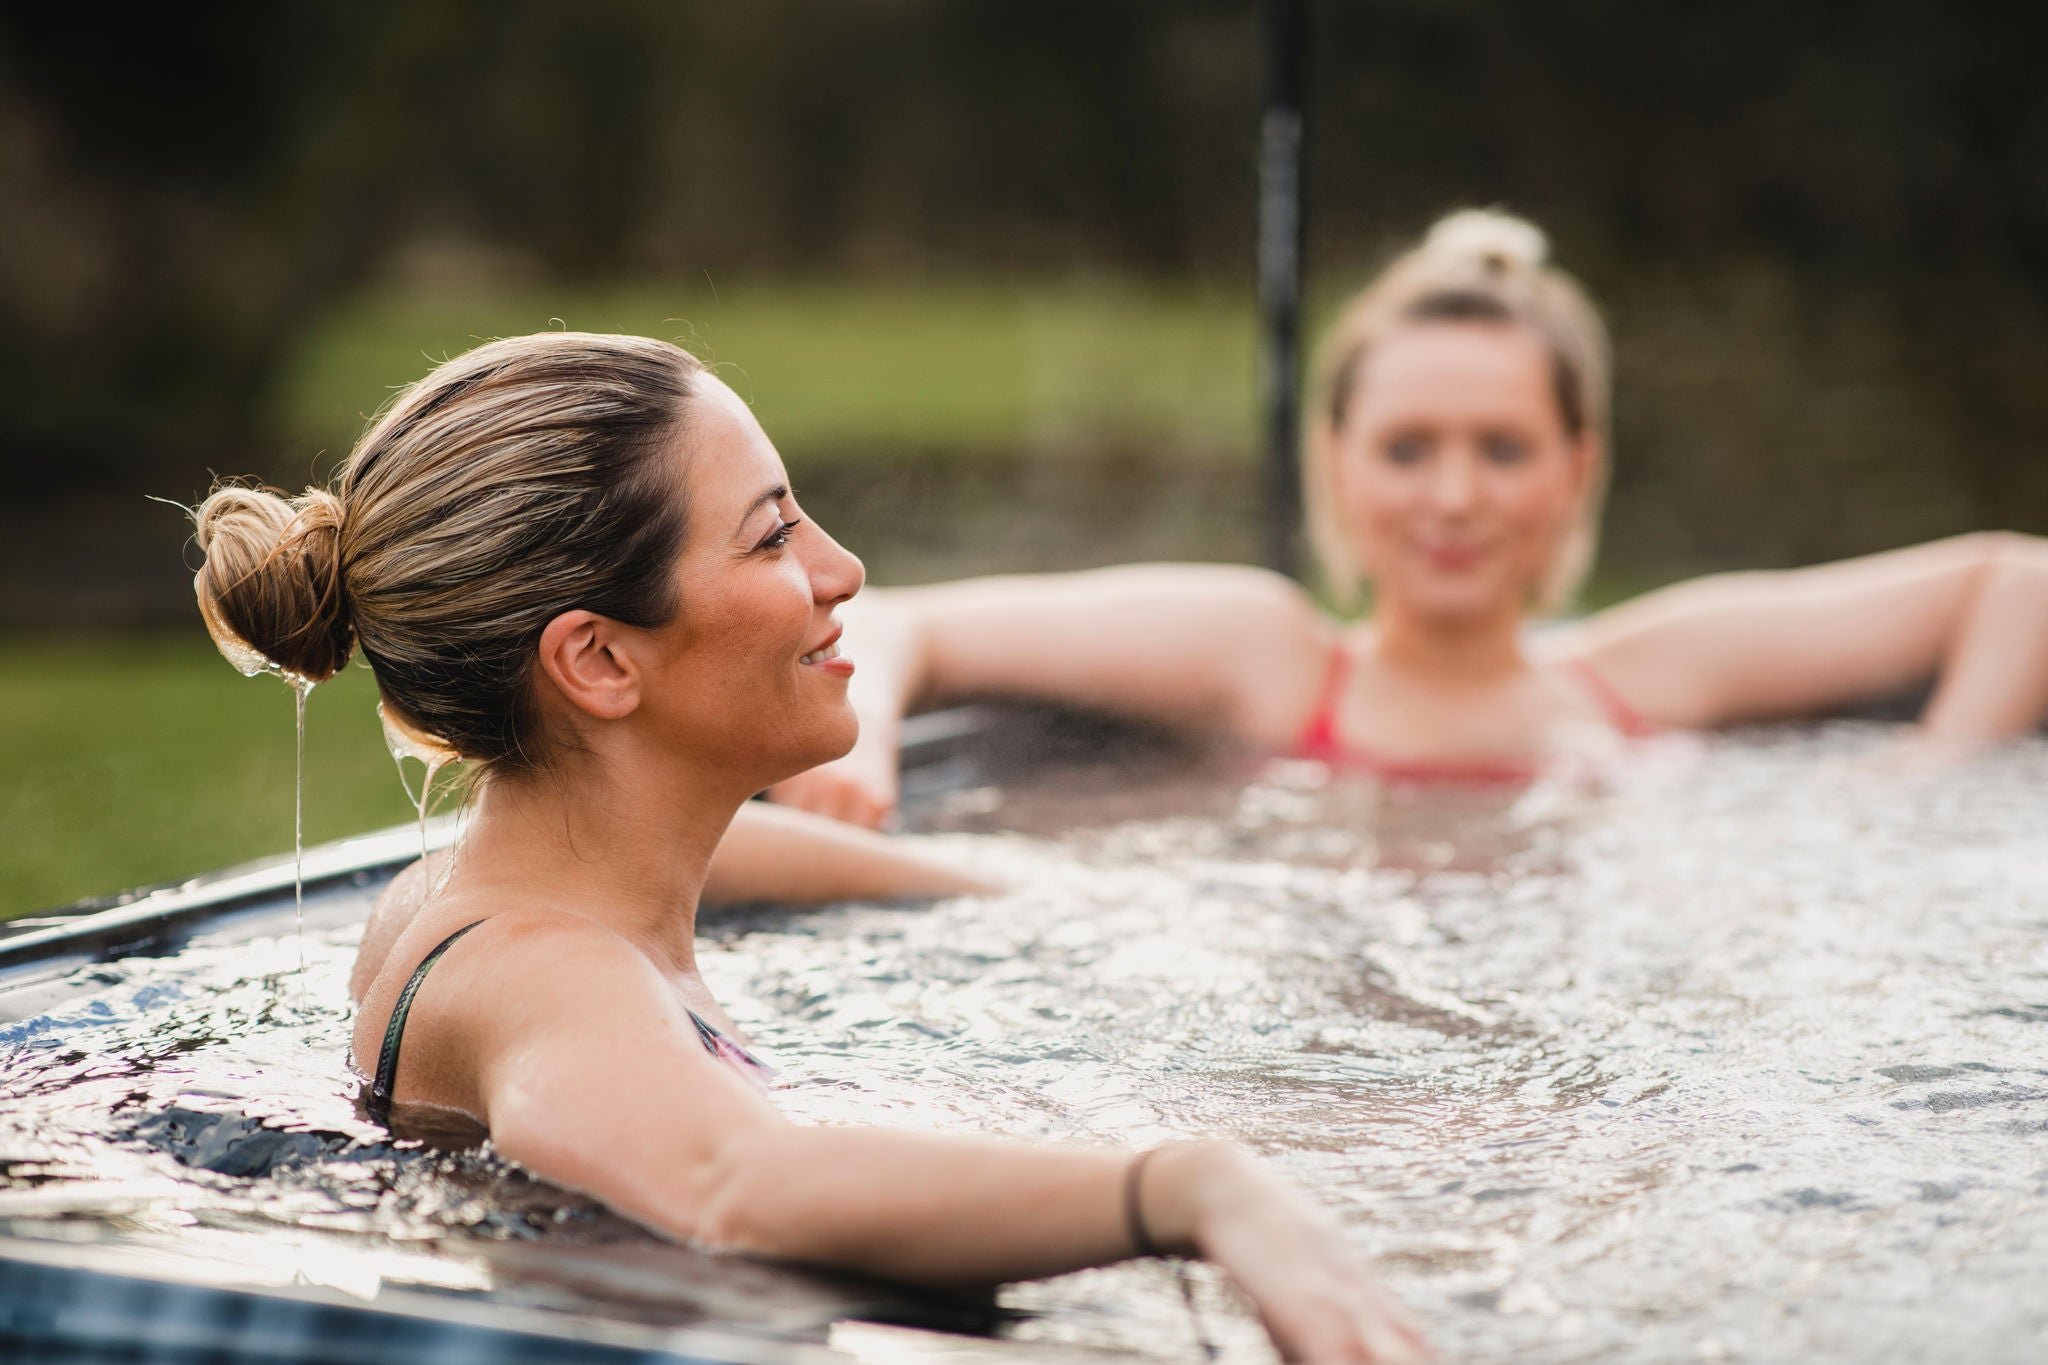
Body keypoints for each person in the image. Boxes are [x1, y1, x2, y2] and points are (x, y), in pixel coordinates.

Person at [190, 332, 1430, 1364]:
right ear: (600, 662)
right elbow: (734, 1183)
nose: (841, 570)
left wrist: (1024, 892)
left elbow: (741, 869)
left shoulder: (473, 891)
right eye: (772, 536)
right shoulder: (541, 978)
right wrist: (1188, 1192)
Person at [770, 210, 2048, 823]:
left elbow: (2018, 582)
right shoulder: (1265, 654)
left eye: (1500, 448)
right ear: (1334, 463)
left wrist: (1927, 794)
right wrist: (857, 745)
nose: (1452, 496)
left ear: (1574, 467)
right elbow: (904, 621)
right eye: (1406, 448)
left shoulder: (1644, 676)